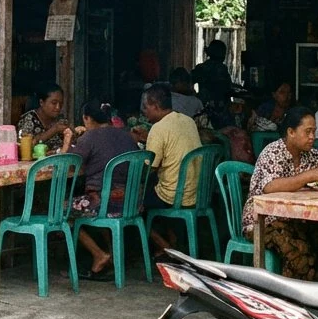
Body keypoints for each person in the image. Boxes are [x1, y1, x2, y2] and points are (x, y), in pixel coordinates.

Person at [240, 107, 318, 281]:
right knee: (301, 254)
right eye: (308, 132)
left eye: (314, 132)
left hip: (297, 219)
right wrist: (308, 176)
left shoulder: (309, 155)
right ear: (291, 132)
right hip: (264, 221)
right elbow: (270, 187)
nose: (313, 137)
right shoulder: (273, 152)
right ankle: (292, 299)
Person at [60, 99, 140, 281]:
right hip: (131, 202)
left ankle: (99, 255)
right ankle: (110, 255)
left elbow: (67, 165)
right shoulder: (126, 135)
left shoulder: (89, 137)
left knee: (59, 209)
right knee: (92, 203)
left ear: (87, 118)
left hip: (105, 203)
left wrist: (68, 140)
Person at [141, 83, 202, 253]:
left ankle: (167, 248)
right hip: (196, 192)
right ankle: (173, 241)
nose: (145, 111)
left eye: (146, 107)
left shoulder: (158, 128)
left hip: (173, 196)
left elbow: (150, 167)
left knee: (134, 203)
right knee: (157, 185)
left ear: (155, 106)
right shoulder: (188, 121)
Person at [192, 40, 234, 104]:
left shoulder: (201, 68)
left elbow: (187, 82)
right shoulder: (222, 69)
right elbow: (229, 89)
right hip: (218, 107)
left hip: (205, 106)